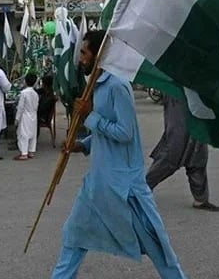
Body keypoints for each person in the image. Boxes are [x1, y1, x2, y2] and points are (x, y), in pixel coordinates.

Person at [52, 30, 187, 279]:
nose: (80, 59)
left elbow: (125, 133)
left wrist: (90, 115)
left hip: (124, 189)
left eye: (84, 53)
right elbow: (105, 133)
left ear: (99, 54)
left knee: (158, 247)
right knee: (74, 237)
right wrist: (82, 145)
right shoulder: (96, 84)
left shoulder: (117, 86)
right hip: (97, 185)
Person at [146, 94, 219, 212]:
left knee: (198, 153)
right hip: (178, 96)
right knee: (173, 151)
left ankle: (200, 199)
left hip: (197, 98)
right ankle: (141, 189)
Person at [14, 73, 39, 160]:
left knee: (23, 134)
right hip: (33, 115)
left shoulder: (23, 93)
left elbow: (20, 107)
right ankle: (31, 151)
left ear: (25, 81)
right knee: (33, 134)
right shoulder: (35, 94)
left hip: (25, 116)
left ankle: (24, 153)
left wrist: (17, 119)